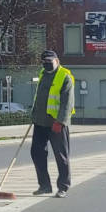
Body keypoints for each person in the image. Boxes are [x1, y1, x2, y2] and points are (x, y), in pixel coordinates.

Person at [29, 50, 75, 198]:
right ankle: (44, 185)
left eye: (50, 61)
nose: (47, 64)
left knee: (61, 156)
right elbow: (39, 97)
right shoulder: (43, 74)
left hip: (57, 124)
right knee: (37, 153)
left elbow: (67, 103)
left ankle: (63, 187)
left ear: (57, 60)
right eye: (44, 62)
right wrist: (34, 115)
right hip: (40, 122)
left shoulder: (65, 77)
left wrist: (60, 121)